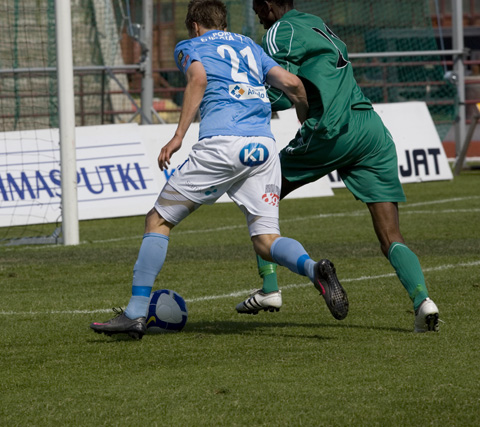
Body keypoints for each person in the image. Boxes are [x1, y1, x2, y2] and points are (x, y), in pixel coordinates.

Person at [91, 0, 348, 340]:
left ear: (195, 26)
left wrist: (178, 135)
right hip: (262, 148)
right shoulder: (249, 45)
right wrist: (302, 116)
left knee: (158, 219)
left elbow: (197, 78)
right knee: (266, 240)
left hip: (222, 145)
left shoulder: (191, 46)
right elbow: (293, 84)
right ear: (223, 23)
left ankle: (136, 313)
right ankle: (314, 269)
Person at [240, 0, 439, 332]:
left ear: (271, 2)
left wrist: (238, 93)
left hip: (330, 132)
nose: (256, 11)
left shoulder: (279, 31)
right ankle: (423, 301)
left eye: (258, 4)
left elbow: (282, 92)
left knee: (258, 192)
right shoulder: (314, 21)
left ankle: (270, 289)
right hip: (370, 129)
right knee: (390, 234)